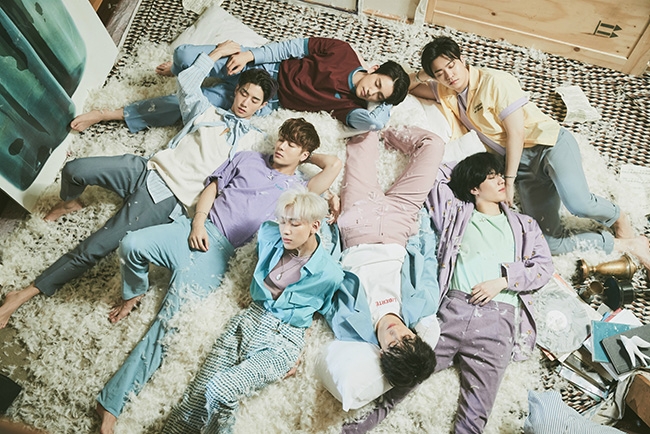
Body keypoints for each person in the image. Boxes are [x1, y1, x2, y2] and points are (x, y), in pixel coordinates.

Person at [0, 49, 278, 329]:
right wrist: (216, 53)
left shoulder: (254, 142)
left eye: (254, 100)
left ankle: (23, 295)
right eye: (244, 93)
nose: (245, 102)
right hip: (145, 168)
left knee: (94, 247)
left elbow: (283, 165)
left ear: (262, 106)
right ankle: (70, 202)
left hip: (168, 198)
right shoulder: (205, 110)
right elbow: (187, 81)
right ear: (236, 91)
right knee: (75, 169)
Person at [96, 119, 342, 434]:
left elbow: (334, 164)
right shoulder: (247, 158)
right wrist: (198, 222)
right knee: (131, 244)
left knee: (169, 322)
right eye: (282, 139)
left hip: (220, 255)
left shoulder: (298, 190)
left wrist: (305, 158)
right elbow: (212, 188)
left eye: (291, 145)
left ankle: (111, 403)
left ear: (304, 155)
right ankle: (134, 292)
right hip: (194, 228)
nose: (281, 146)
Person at [343, 148, 554, 434]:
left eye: (499, 175)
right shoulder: (455, 211)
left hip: (498, 322)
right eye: (491, 177)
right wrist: (469, 170)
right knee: (402, 381)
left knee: (476, 412)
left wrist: (503, 281)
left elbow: (544, 267)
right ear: (474, 188)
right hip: (452, 311)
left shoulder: (525, 225)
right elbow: (437, 173)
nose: (501, 180)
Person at [409, 36, 650, 268]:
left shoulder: (495, 81)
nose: (449, 75)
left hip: (547, 145)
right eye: (440, 73)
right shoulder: (445, 90)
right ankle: (629, 245)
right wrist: (424, 75)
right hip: (524, 169)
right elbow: (406, 87)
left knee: (578, 204)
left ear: (462, 59)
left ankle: (618, 217)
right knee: (550, 241)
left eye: (451, 66)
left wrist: (509, 181)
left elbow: (517, 133)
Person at [159, 188, 344, 434]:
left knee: (221, 390)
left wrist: (298, 348)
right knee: (195, 400)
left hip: (282, 341)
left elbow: (317, 310)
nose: (286, 230)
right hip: (248, 321)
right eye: (283, 221)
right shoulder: (268, 234)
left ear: (315, 226)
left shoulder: (331, 273)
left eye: (294, 224)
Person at [71, 38, 410, 132]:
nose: (371, 92)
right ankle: (179, 70)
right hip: (263, 64)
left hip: (266, 97)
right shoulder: (342, 52)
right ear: (374, 68)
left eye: (379, 96)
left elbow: (374, 124)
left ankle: (109, 114)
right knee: (185, 54)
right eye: (377, 83)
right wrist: (249, 54)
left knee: (188, 107)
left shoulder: (350, 107)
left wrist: (383, 105)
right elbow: (291, 47)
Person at [326, 126, 445, 388]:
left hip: (357, 223)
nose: (396, 333)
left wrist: (329, 223)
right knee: (433, 144)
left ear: (381, 353)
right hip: (401, 222)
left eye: (393, 345)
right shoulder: (424, 305)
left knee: (363, 134)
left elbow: (325, 277)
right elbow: (428, 260)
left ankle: (374, 127)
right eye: (407, 338)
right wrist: (419, 224)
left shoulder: (348, 325)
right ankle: (389, 132)